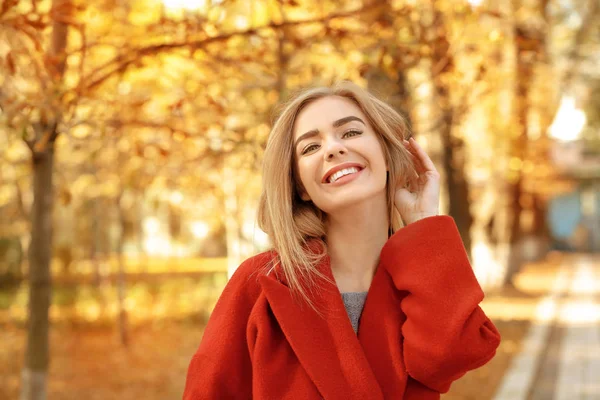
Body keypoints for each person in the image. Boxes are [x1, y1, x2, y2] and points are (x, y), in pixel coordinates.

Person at [183, 81, 501, 399]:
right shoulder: (259, 284)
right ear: (301, 186)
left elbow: (448, 359)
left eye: (350, 132)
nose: (333, 149)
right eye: (310, 147)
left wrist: (423, 223)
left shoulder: (419, 284)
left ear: (387, 155)